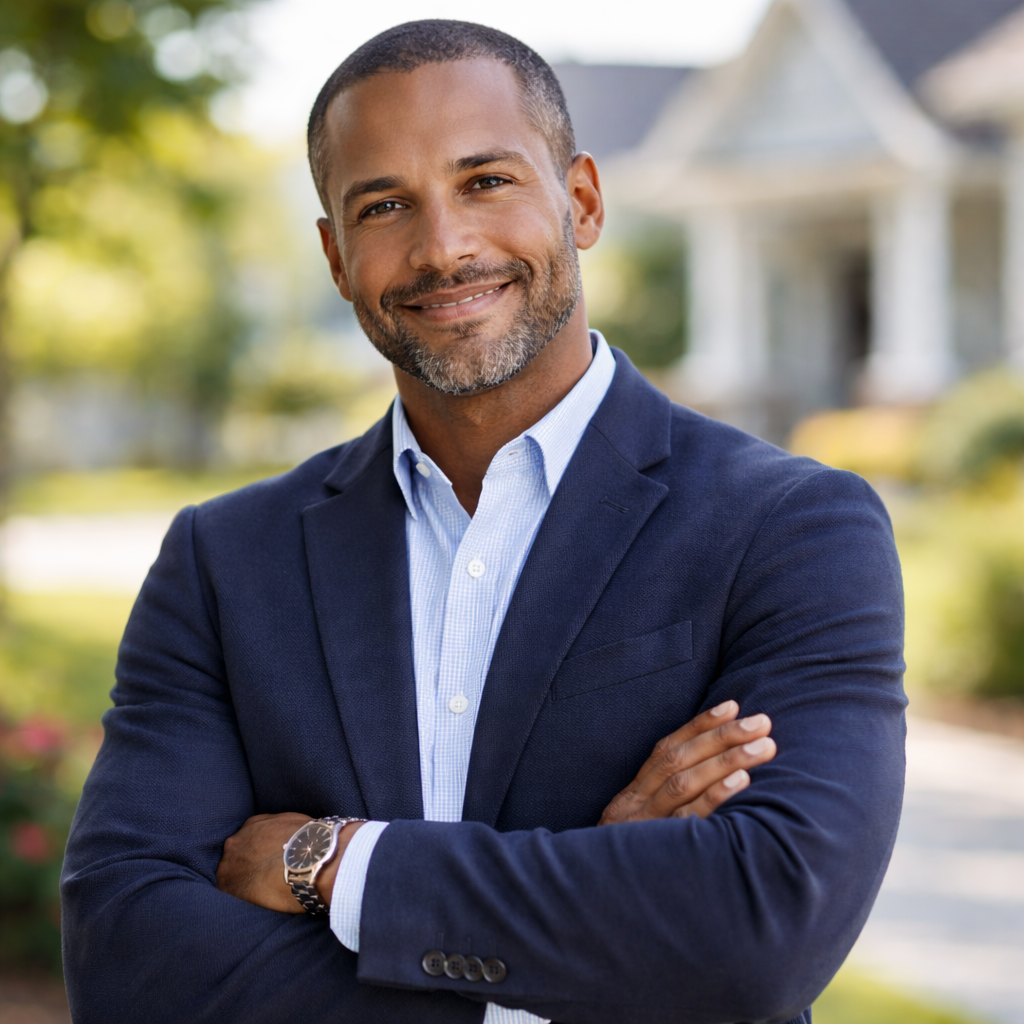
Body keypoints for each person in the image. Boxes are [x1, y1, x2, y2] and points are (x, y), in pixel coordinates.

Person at [60, 20, 906, 1024]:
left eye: (486, 182)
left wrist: (335, 862)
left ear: (581, 202)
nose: (443, 248)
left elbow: (762, 928)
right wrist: (588, 936)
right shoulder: (224, 563)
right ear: (335, 257)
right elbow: (127, 959)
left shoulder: (791, 529)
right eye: (384, 206)